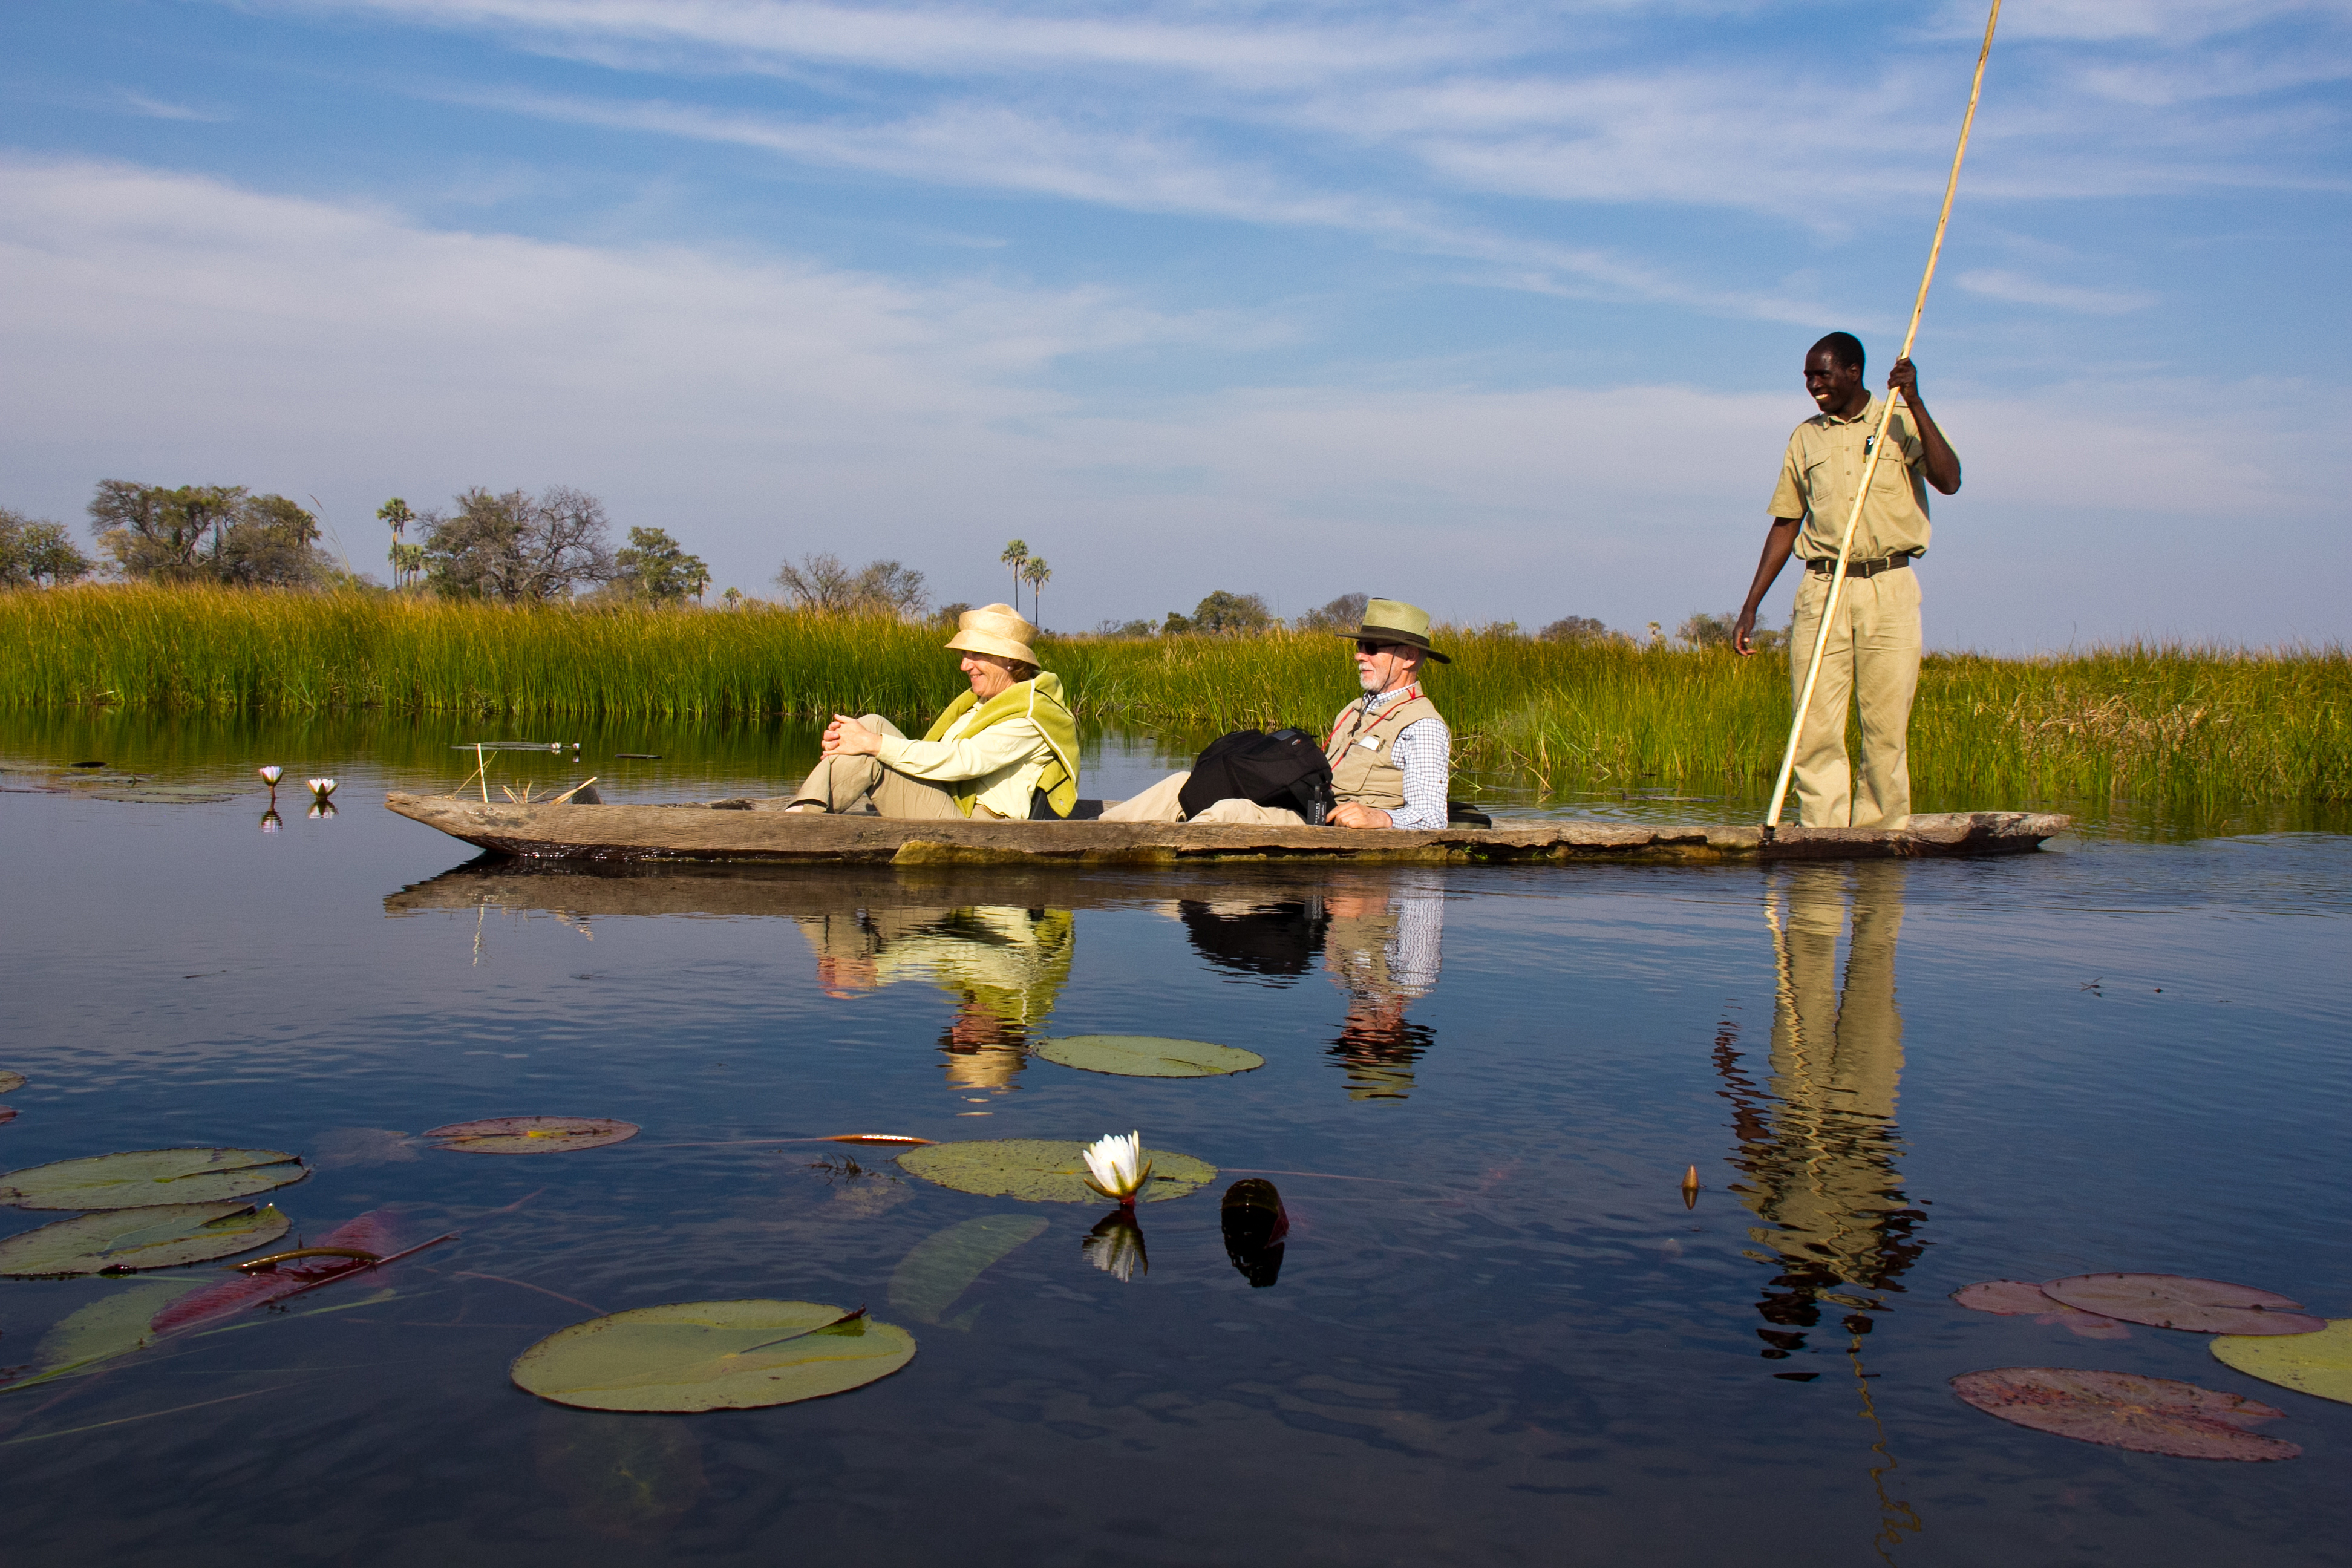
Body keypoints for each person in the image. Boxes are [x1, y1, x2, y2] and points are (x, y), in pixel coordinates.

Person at [1733, 333, 1961, 830]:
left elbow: (1949, 481)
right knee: (1813, 724)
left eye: (1823, 375)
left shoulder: (1898, 419)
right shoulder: (1805, 438)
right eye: (1808, 377)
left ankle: (1880, 835)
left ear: (1854, 372)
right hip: (1822, 588)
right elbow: (1787, 522)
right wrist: (1751, 606)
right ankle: (1823, 835)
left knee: (1884, 727)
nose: (1814, 385)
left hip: (1888, 587)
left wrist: (1916, 400)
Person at [1102, 598, 1452, 828]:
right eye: (1360, 645)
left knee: (1229, 813)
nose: (1359, 655)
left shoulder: (1423, 726)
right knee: (1184, 784)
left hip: (1326, 826)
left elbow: (1433, 818)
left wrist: (1381, 818)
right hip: (1302, 802)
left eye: (1372, 648)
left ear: (1408, 657)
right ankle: (1091, 836)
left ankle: (1168, 877)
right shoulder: (1353, 710)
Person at [784, 602, 1079, 820]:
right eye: (965, 654)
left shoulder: (1030, 716)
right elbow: (940, 754)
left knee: (872, 747)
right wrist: (848, 743)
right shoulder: (985, 703)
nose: (964, 665)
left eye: (976, 654)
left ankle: (797, 823)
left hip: (978, 826)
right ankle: (801, 815)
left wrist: (872, 745)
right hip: (950, 801)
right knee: (872, 724)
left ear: (1010, 661)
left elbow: (965, 761)